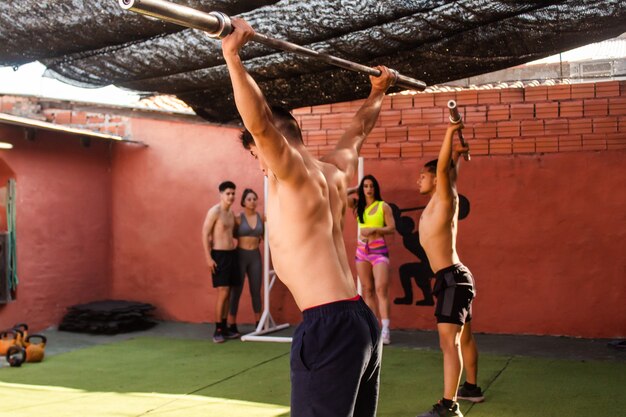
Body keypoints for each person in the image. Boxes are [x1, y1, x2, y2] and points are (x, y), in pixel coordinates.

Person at [220, 17, 395, 417]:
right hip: (358, 319)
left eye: (255, 154)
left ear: (275, 144)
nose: (259, 166)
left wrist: (233, 56)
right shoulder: (333, 172)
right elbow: (356, 133)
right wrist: (378, 92)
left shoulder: (292, 174)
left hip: (329, 324)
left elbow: (260, 123)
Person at [416, 123, 483, 417]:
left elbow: (444, 172)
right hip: (455, 278)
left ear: (435, 177)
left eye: (423, 175)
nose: (419, 179)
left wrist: (449, 131)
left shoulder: (445, 197)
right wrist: (457, 155)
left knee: (449, 342)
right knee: (462, 338)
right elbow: (449, 172)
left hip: (452, 280)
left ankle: (449, 405)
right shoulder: (440, 200)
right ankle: (471, 388)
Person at [348, 175, 396, 344]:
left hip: (379, 250)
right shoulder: (357, 207)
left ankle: (386, 329)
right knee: (367, 290)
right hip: (362, 252)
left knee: (381, 289)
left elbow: (392, 228)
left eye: (371, 186)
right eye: (365, 186)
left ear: (376, 188)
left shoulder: (383, 207)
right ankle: (373, 327)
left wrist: (375, 229)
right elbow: (340, 195)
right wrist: (355, 189)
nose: (369, 189)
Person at [202, 181, 240, 343]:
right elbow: (204, 234)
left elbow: (234, 235)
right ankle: (217, 329)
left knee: (229, 292)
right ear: (221, 194)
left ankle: (224, 327)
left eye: (233, 193)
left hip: (232, 255)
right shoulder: (214, 212)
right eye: (228, 193)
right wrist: (208, 258)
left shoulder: (231, 214)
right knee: (223, 292)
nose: (231, 196)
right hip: (219, 255)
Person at [227, 188, 264, 335]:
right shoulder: (237, 218)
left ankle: (258, 323)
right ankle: (232, 324)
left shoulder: (262, 217)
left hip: (255, 256)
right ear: (243, 202)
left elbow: (266, 236)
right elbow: (228, 233)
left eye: (254, 199)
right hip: (240, 256)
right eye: (249, 199)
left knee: (256, 290)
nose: (252, 202)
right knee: (236, 290)